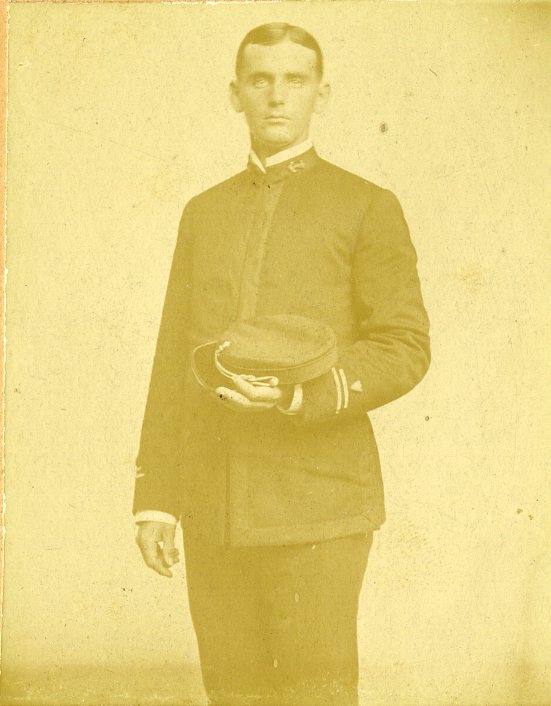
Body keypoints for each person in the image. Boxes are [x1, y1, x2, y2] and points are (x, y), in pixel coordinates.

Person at [133, 22, 430, 706]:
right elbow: (173, 358)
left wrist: (305, 397)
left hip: (317, 505)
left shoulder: (365, 206)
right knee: (233, 696)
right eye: (259, 80)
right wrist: (156, 498)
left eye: (294, 81)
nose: (276, 96)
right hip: (214, 507)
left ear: (320, 96)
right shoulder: (203, 212)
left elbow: (404, 345)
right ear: (233, 94)